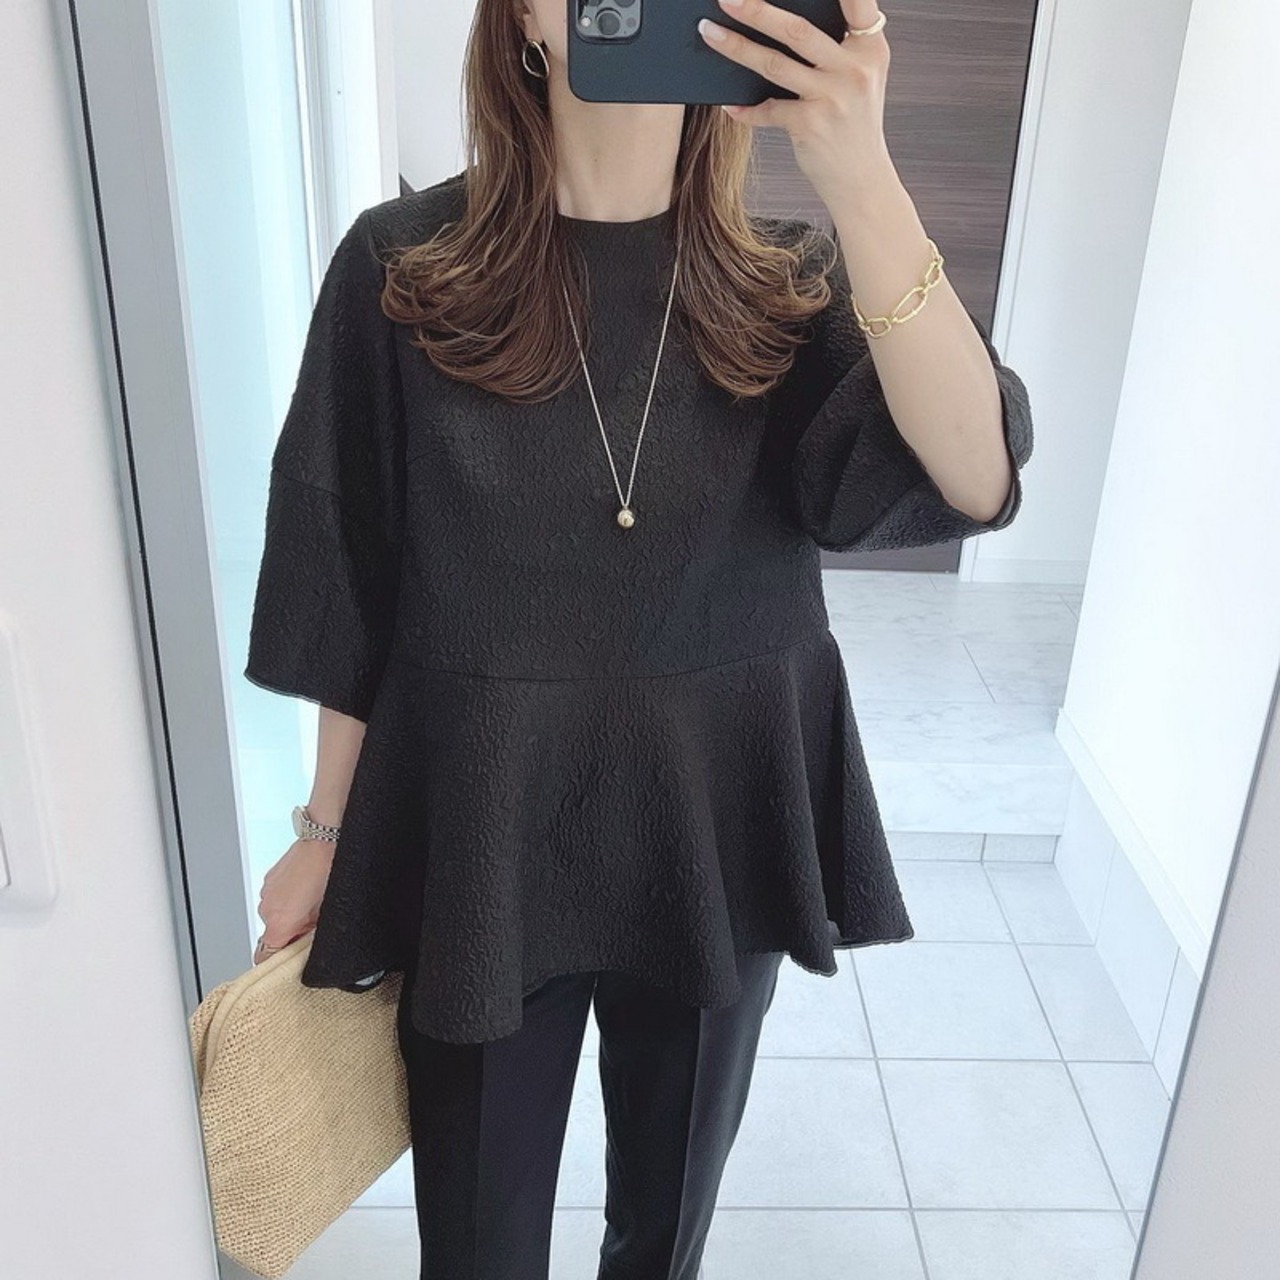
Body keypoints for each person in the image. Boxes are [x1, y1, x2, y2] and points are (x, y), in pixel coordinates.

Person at [245, 0, 1034, 1276]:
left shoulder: (789, 284)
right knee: (477, 1239)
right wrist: (324, 832)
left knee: (662, 1237)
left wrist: (860, 173)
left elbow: (974, 475)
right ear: (522, 18)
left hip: (713, 824)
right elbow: (348, 573)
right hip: (483, 831)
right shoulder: (402, 267)